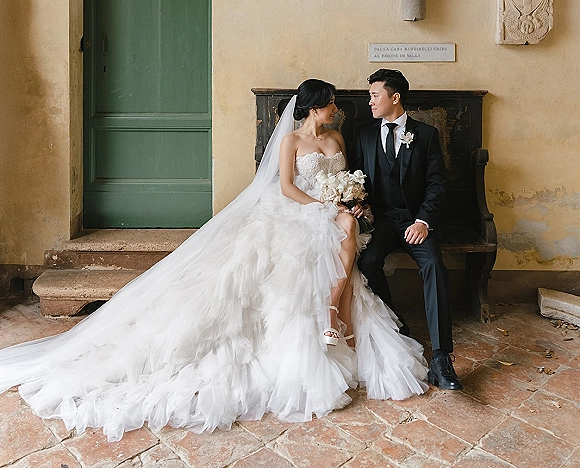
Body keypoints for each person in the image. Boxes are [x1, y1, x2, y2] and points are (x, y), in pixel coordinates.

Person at [0, 79, 428, 443]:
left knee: (346, 234)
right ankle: (329, 311)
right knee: (294, 259)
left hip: (334, 211)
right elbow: (285, 188)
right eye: (332, 102)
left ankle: (335, 306)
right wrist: (322, 205)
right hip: (299, 209)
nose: (338, 109)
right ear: (316, 107)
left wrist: (346, 201)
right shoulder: (290, 141)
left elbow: (344, 179)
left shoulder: (336, 140)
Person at [354, 68, 463, 390]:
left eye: (375, 95)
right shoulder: (364, 135)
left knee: (433, 265)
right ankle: (395, 324)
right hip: (384, 220)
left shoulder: (425, 135)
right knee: (368, 261)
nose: (370, 101)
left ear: (395, 97)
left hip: (416, 220)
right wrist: (360, 204)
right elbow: (359, 178)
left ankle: (442, 357)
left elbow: (436, 184)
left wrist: (423, 221)